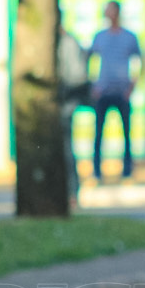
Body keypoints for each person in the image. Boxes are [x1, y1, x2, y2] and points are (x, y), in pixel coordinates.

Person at [88, 0, 143, 183]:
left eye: (109, 10)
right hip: (103, 93)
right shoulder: (99, 37)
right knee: (98, 134)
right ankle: (96, 172)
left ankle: (127, 171)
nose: (107, 13)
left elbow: (141, 61)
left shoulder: (129, 37)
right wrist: (93, 85)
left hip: (122, 93)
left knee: (126, 134)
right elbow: (88, 59)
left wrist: (132, 86)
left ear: (117, 12)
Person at [57, 19, 89, 205]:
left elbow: (78, 77)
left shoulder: (68, 43)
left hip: (64, 104)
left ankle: (71, 194)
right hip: (54, 106)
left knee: (66, 151)